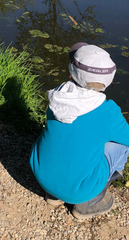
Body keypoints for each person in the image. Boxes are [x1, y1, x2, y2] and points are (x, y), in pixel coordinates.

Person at [30, 42, 129, 220]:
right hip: (78, 191)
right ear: (108, 81)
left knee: (62, 136)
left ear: (70, 73)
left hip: (41, 173)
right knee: (121, 146)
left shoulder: (57, 96)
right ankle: (88, 202)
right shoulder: (108, 112)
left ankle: (54, 195)